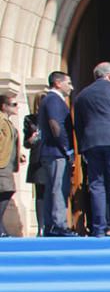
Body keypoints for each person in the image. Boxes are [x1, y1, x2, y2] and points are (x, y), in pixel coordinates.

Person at [74, 61, 110, 236]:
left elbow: (78, 124)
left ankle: (99, 227)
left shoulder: (82, 95)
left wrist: (82, 147)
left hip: (91, 143)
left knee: (96, 184)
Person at [37, 71, 76, 236]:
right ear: (58, 83)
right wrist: (67, 149)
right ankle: (59, 225)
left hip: (52, 151)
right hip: (56, 152)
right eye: (69, 83)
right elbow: (55, 125)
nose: (72, 87)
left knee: (53, 188)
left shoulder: (52, 99)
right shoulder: (53, 100)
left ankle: (50, 226)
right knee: (59, 188)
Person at [22, 92, 47, 234]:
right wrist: (32, 139)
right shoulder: (30, 119)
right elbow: (27, 143)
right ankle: (41, 227)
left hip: (52, 158)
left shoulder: (52, 117)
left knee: (54, 192)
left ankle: (53, 225)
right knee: (40, 194)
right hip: (38, 158)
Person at [0, 92, 23, 236]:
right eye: (13, 104)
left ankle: (1, 228)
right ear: (4, 106)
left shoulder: (7, 121)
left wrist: (18, 155)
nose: (17, 107)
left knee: (6, 191)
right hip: (2, 163)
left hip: (7, 163)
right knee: (6, 191)